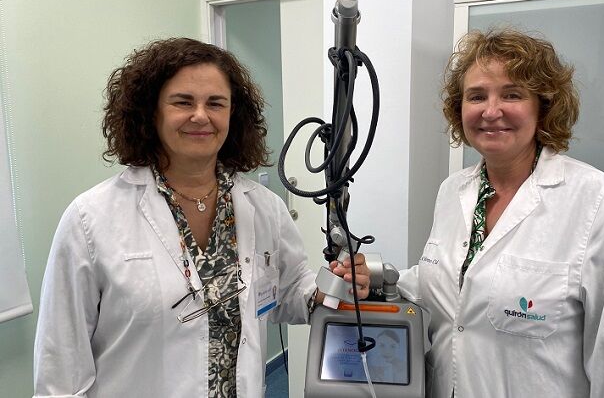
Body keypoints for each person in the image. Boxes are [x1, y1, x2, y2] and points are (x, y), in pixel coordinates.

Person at [33, 37, 370, 398]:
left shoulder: (263, 208)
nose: (200, 116)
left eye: (215, 103)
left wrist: (335, 288)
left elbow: (289, 292)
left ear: (232, 114)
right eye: (182, 102)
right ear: (151, 112)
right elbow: (60, 369)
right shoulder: (90, 219)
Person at [397, 29, 604, 397]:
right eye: (476, 96)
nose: (491, 111)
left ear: (544, 107)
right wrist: (378, 278)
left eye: (512, 94)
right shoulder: (452, 191)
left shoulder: (595, 201)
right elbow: (449, 277)